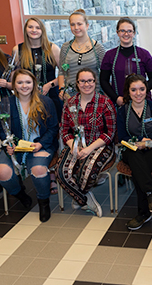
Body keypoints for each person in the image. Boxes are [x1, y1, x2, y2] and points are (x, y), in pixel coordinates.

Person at [0, 69, 58, 222]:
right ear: (14, 85)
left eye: (28, 82)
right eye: (20, 82)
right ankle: (20, 194)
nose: (24, 86)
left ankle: (44, 202)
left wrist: (41, 144)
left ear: (34, 84)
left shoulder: (45, 101)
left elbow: (53, 128)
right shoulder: (6, 104)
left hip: (39, 145)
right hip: (15, 147)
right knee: (1, 172)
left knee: (38, 169)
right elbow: (1, 129)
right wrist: (7, 145)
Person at [56, 68, 117, 217]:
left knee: (87, 172)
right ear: (77, 83)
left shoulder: (105, 103)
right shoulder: (69, 103)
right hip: (74, 145)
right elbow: (64, 130)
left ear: (95, 82)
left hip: (100, 145)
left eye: (90, 80)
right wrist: (73, 147)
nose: (86, 84)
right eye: (82, 81)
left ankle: (78, 198)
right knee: (61, 173)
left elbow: (110, 133)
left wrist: (88, 149)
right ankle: (85, 199)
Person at [117, 74, 152, 230]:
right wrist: (139, 141)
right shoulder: (122, 111)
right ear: (128, 91)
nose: (138, 93)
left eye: (141, 89)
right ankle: (150, 194)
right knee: (135, 158)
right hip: (132, 149)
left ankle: (144, 212)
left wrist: (150, 142)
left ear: (147, 90)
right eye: (133, 90)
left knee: (139, 169)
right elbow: (122, 137)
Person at [12, 17, 62, 120]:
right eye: (30, 27)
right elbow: (15, 75)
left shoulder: (53, 48)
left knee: (53, 127)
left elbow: (64, 74)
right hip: (27, 97)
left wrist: (50, 85)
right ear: (25, 29)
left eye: (37, 28)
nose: (34, 30)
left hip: (51, 94)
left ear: (42, 30)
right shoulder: (17, 50)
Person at [101, 17, 152, 107]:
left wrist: (140, 93)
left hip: (142, 102)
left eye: (129, 31)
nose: (126, 34)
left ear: (134, 33)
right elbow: (103, 80)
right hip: (119, 102)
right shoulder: (109, 55)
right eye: (122, 31)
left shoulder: (144, 54)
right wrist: (116, 98)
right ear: (117, 33)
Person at [58, 9, 106, 99]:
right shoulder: (65, 47)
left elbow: (105, 75)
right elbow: (62, 71)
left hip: (94, 97)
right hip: (71, 97)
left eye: (79, 24)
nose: (76, 28)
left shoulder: (98, 48)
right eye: (73, 24)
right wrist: (61, 89)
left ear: (87, 26)